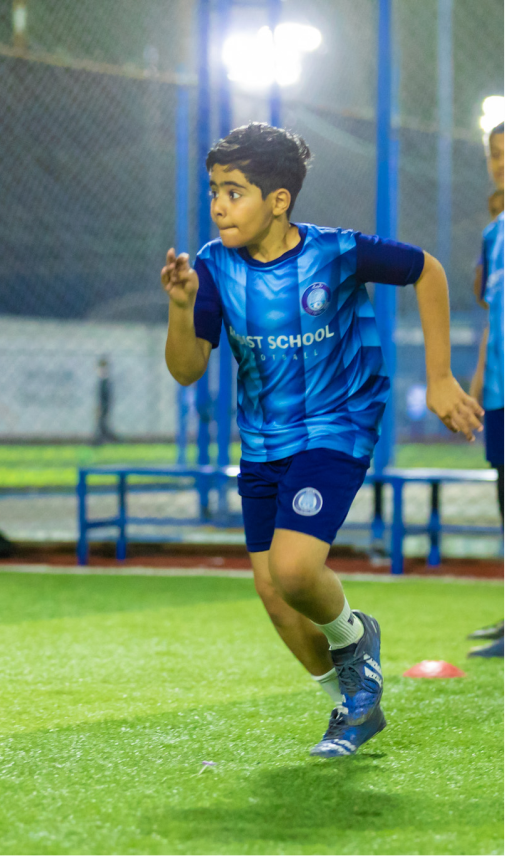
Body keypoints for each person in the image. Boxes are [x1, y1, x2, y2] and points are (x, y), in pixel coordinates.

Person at [161, 123, 483, 757]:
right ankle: (353, 704)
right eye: (214, 191)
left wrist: (441, 376)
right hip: (263, 444)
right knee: (277, 598)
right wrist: (180, 307)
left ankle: (355, 639)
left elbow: (427, 270)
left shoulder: (336, 252)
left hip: (337, 427)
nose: (219, 205)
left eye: (234, 192)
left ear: (279, 200)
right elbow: (187, 368)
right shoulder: (212, 267)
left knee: (294, 569)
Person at [467, 181, 505, 658]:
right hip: (499, 391)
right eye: (493, 153)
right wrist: (476, 386)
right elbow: (492, 317)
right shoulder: (494, 233)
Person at [94, 357, 115, 444]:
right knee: (101, 423)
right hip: (103, 404)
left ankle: (102, 439)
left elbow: (106, 396)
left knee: (102, 423)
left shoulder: (105, 381)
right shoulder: (103, 381)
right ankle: (102, 439)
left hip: (104, 405)